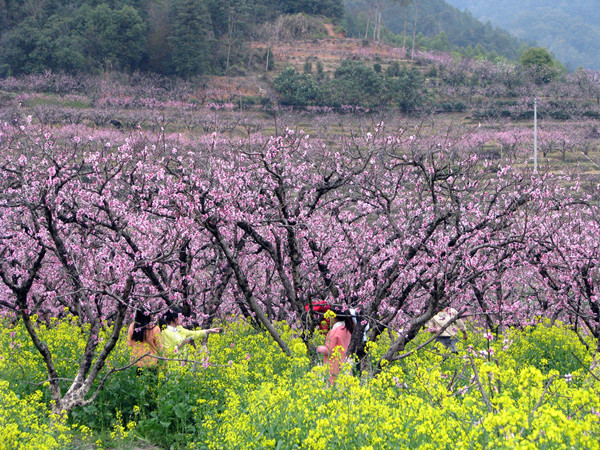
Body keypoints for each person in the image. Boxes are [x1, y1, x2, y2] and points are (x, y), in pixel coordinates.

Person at [317, 309, 353, 384]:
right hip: (343, 363)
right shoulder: (347, 330)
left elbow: (329, 350)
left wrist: (319, 348)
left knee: (331, 386)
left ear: (334, 317)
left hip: (333, 365)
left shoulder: (334, 331)